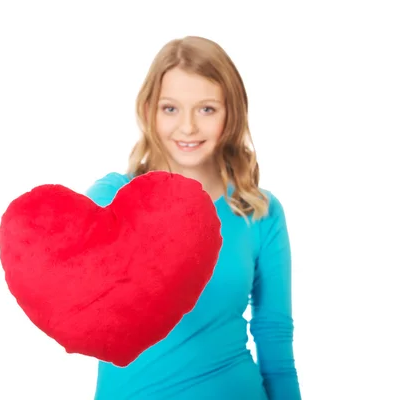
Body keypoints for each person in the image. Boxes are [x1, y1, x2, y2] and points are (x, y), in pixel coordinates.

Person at [85, 36, 301, 400]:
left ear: (230, 113)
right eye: (171, 109)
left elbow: (274, 338)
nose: (187, 128)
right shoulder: (112, 199)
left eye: (206, 109)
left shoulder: (259, 212)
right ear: (150, 110)